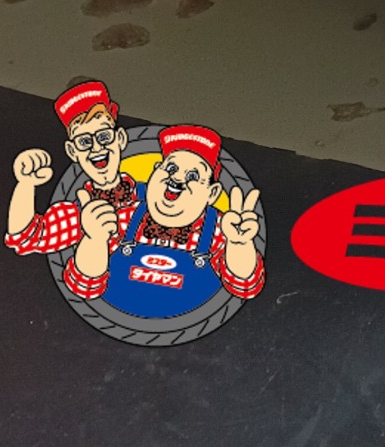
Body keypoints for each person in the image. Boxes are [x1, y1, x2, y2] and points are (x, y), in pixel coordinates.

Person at [67, 123, 264, 319]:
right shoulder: (122, 218)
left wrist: (239, 245)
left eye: (193, 176)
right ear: (154, 172)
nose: (176, 180)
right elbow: (84, 286)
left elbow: (244, 286)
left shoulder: (220, 229)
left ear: (212, 193)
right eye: (170, 168)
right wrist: (94, 240)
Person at [6, 78, 131, 257]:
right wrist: (25, 185)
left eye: (104, 136)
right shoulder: (77, 214)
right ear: (73, 152)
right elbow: (25, 238)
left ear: (120, 139)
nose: (96, 148)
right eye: (84, 141)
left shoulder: (152, 197)